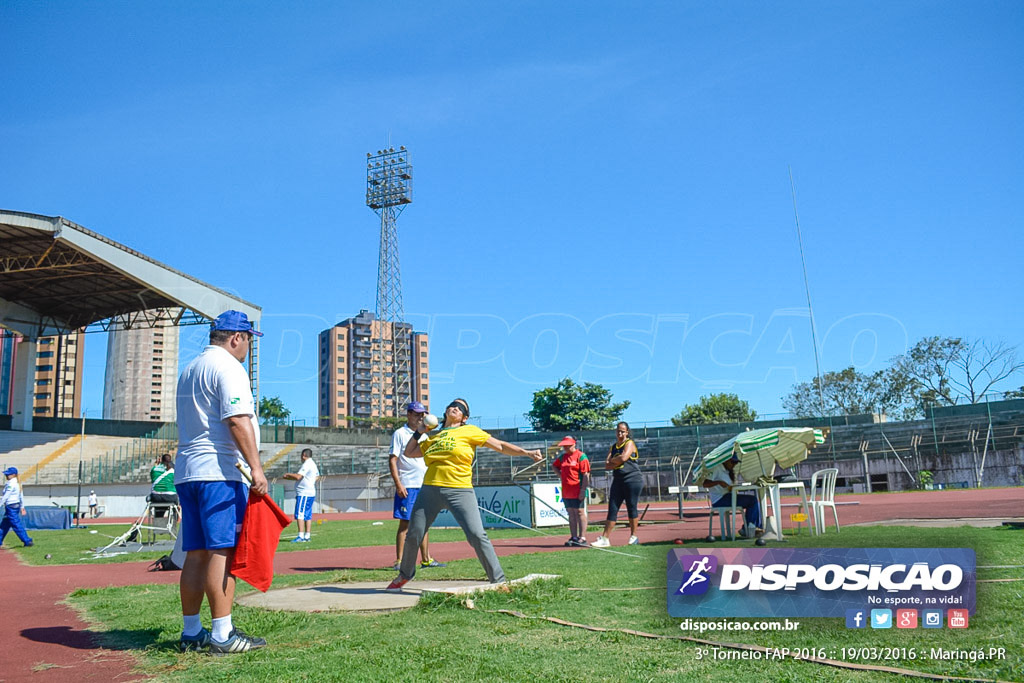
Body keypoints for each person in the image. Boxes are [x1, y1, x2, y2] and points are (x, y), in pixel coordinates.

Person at [174, 310, 268, 654]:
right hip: (219, 472)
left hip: (188, 471)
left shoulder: (190, 369)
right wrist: (256, 469)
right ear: (237, 338)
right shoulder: (229, 367)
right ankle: (222, 634)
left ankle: (191, 631)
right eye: (248, 342)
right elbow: (237, 420)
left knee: (195, 553)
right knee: (221, 551)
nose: (247, 349)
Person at [386, 398, 543, 592]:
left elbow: (500, 446)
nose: (454, 408)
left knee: (477, 535)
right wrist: (419, 432)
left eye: (459, 408)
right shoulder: (434, 436)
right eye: (451, 405)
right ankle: (405, 574)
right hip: (430, 489)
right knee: (413, 534)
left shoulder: (470, 431)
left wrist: (527, 453)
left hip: (459, 489)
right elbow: (409, 453)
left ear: (465, 417)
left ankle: (499, 580)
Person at [388, 401, 445, 569]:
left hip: (424, 484)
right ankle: (399, 561)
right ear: (409, 414)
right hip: (408, 484)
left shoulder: (425, 435)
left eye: (422, 414)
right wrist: (398, 484)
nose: (420, 417)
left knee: (424, 523)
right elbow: (393, 459)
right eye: (417, 414)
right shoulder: (400, 433)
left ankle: (426, 559)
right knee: (405, 524)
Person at [591, 422, 644, 547]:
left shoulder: (629, 443)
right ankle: (605, 538)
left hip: (633, 479)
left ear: (627, 432)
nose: (620, 433)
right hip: (618, 479)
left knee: (631, 507)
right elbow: (607, 464)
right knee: (613, 507)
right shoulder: (613, 446)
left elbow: (624, 458)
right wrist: (616, 459)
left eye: (622, 431)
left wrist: (615, 460)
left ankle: (634, 536)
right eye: (618, 431)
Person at [702, 454, 764, 542]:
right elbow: (705, 484)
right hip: (720, 499)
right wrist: (719, 482)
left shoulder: (728, 471)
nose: (734, 464)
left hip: (728, 496)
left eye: (735, 463)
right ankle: (751, 528)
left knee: (752, 500)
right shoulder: (716, 468)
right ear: (725, 460)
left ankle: (751, 527)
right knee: (752, 500)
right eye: (733, 462)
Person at [551, 436, 590, 547]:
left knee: (580, 512)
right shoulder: (563, 457)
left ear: (574, 444)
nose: (565, 448)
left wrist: (583, 489)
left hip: (577, 489)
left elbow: (586, 474)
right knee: (571, 513)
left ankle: (582, 537)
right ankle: (573, 536)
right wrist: (561, 476)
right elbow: (554, 466)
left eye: (567, 446)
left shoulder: (581, 456)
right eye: (564, 446)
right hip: (566, 490)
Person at [283, 448, 320, 543]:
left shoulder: (307, 464)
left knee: (300, 514)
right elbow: (317, 476)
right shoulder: (313, 464)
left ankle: (301, 536)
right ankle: (307, 536)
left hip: (304, 493)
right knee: (307, 515)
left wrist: (288, 474)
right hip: (310, 492)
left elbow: (299, 476)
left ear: (304, 455)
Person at [1, 467, 33, 548]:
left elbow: (6, 496)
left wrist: (0, 504)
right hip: (15, 505)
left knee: (16, 525)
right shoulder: (17, 483)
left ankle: (27, 540)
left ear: (13, 475)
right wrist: (22, 506)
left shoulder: (11, 484)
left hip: (11, 507)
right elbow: (21, 496)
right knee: (4, 525)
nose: (6, 475)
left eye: (8, 474)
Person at [149, 453, 178, 518]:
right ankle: (173, 518)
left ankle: (158, 521)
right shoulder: (173, 471)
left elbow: (153, 480)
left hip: (156, 496)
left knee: (159, 509)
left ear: (161, 460)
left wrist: (156, 465)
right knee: (176, 501)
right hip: (170, 496)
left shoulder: (154, 469)